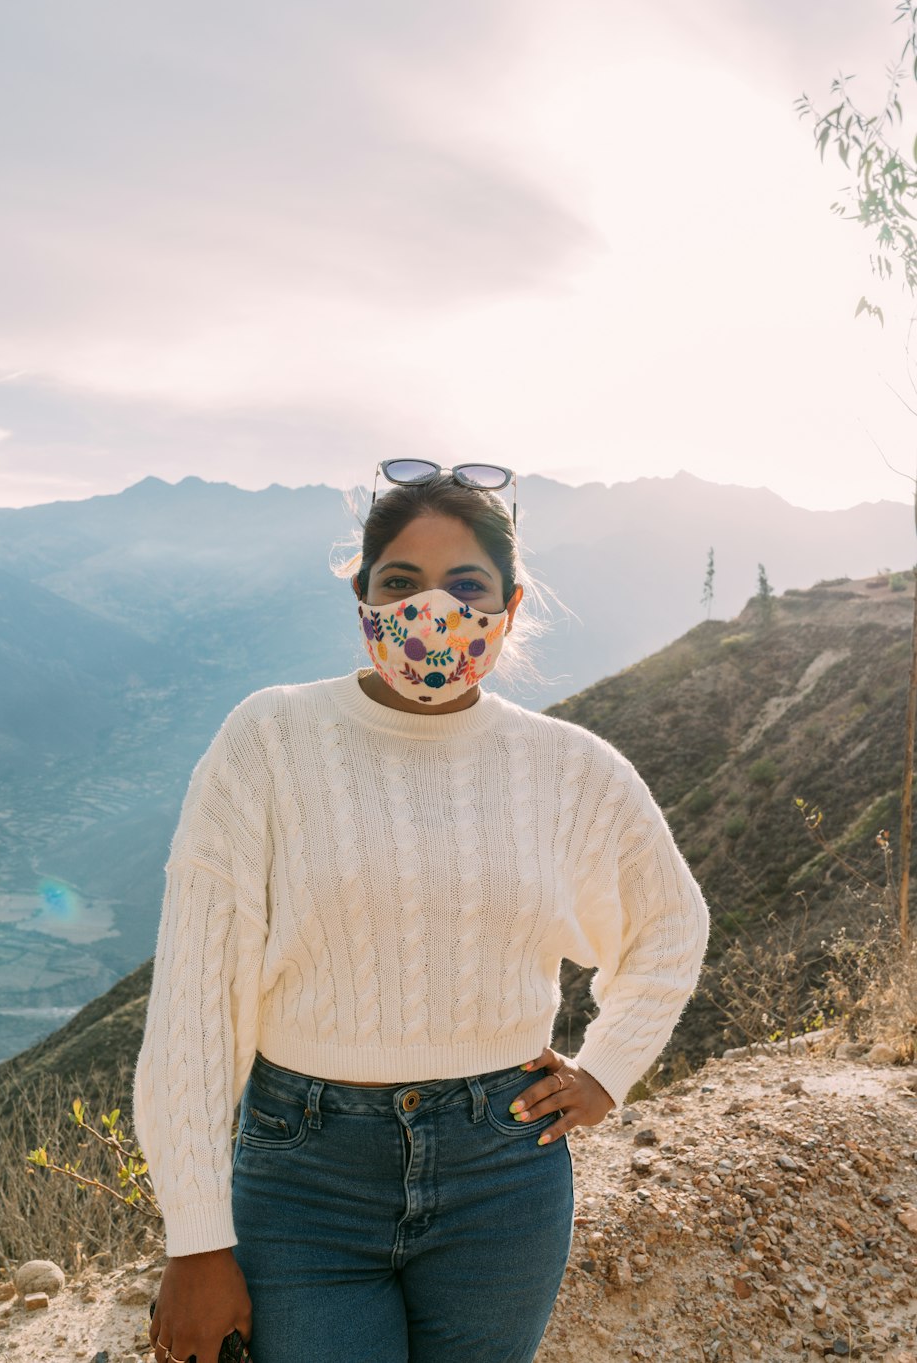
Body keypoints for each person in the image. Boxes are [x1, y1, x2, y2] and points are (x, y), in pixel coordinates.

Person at [134, 459, 711, 1363]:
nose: (430, 611)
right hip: (304, 1178)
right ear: (362, 598)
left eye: (465, 586)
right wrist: (196, 1238)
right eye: (401, 583)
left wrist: (609, 1067)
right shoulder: (270, 741)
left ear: (509, 606)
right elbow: (194, 1004)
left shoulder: (568, 767)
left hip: (505, 1175)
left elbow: (671, 923)